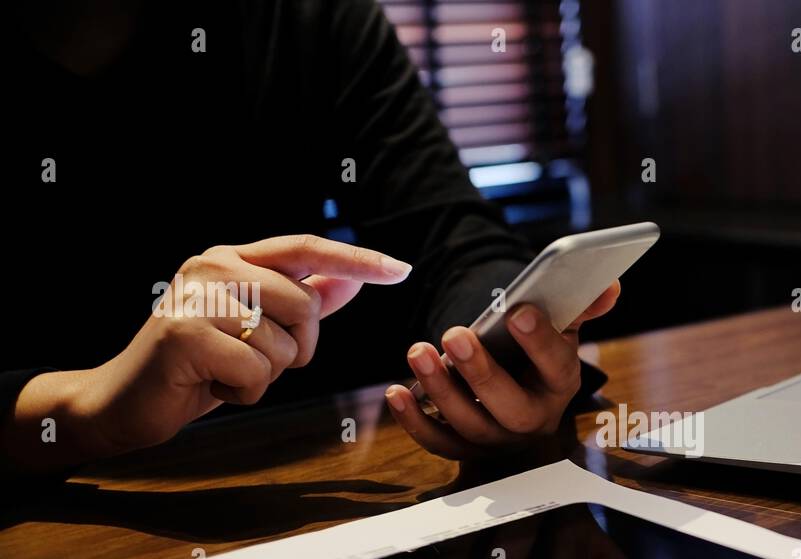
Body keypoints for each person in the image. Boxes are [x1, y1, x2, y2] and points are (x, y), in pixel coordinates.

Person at [2, 0, 618, 478]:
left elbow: (449, 238)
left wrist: (498, 362)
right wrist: (86, 408)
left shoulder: (307, 18)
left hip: (304, 498)